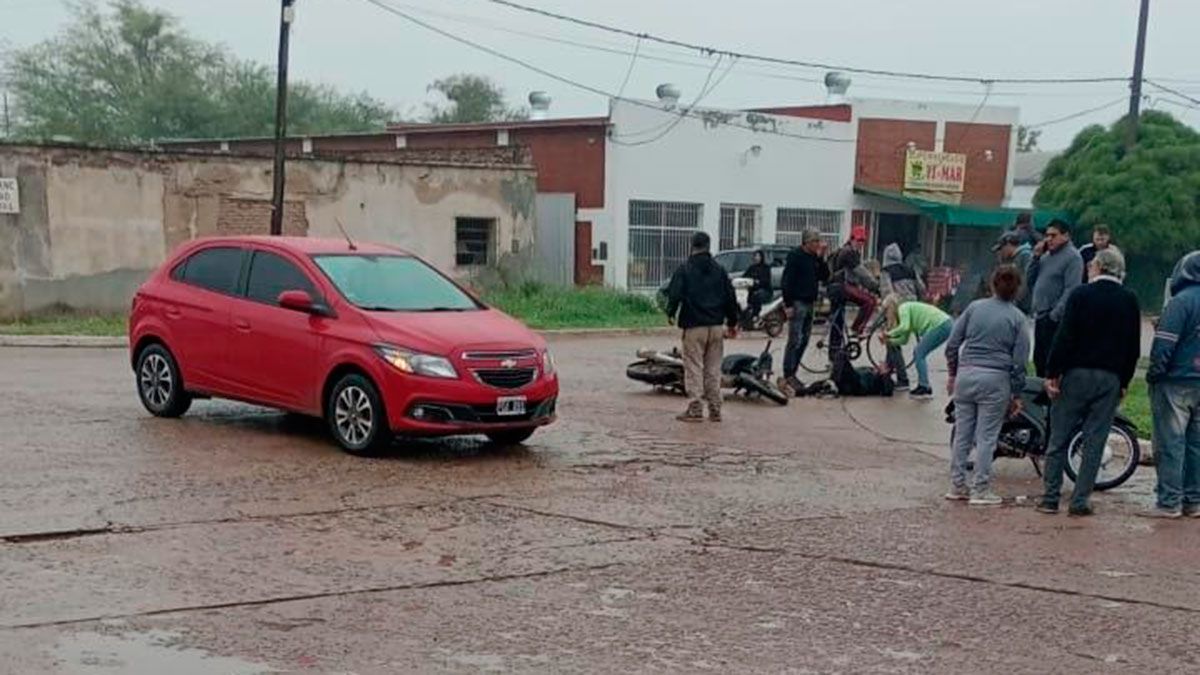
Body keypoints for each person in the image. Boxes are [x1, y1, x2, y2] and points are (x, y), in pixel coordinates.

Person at [1038, 248, 1141, 517]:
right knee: (1095, 441)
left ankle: (1050, 498)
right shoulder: (1130, 299)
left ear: (1098, 266)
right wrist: (1125, 380)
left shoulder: (1080, 295)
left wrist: (1052, 372)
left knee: (1059, 437)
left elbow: (1065, 336)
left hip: (1076, 374)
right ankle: (1080, 501)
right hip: (1110, 378)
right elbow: (1133, 346)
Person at [944, 266, 1031, 506]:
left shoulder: (974, 309)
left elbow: (952, 344)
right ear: (1017, 290)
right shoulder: (1017, 318)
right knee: (986, 437)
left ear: (992, 284)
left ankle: (957, 485)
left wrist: (953, 373)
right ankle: (980, 489)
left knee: (962, 434)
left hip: (966, 375)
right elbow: (1020, 361)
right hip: (996, 380)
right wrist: (1016, 393)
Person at [1145, 252, 1200, 518]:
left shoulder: (1181, 302)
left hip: (1176, 381)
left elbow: (1165, 345)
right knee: (1195, 444)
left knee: (1171, 443)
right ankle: (1194, 501)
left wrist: (1155, 374)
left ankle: (1169, 502)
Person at [665, 232, 740, 423]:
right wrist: (732, 323)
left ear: (692, 246)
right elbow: (730, 298)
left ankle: (695, 408)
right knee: (714, 369)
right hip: (716, 326)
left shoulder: (685, 269)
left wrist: (670, 313)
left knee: (694, 368)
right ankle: (715, 409)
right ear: (708, 246)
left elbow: (674, 294)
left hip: (693, 326)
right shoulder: (720, 270)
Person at [1028, 220, 1084, 377]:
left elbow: (1072, 289)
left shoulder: (1073, 257)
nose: (1049, 239)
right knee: (1039, 359)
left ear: (1065, 236)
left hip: (1054, 319)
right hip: (1040, 314)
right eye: (1047, 235)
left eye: (1054, 235)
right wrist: (1035, 257)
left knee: (1051, 361)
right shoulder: (1045, 257)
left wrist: (1054, 315)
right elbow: (1030, 280)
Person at [779, 229, 830, 393]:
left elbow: (825, 276)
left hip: (810, 302)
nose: (817, 245)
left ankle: (794, 370)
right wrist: (788, 305)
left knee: (805, 339)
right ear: (806, 242)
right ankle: (788, 373)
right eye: (815, 242)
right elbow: (786, 280)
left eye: (818, 241)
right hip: (797, 301)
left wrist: (822, 258)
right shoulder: (795, 256)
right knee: (794, 339)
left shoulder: (815, 257)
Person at [881, 299, 953, 400]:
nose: (885, 315)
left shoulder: (903, 308)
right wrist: (889, 341)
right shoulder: (904, 316)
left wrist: (888, 334)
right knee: (919, 353)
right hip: (944, 324)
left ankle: (924, 386)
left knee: (919, 353)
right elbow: (903, 340)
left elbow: (904, 328)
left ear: (890, 308)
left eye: (885, 310)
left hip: (940, 324)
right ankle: (924, 386)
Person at [881, 243, 926, 391]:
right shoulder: (910, 269)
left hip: (897, 309)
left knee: (893, 342)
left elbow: (887, 293)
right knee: (891, 343)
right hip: (913, 309)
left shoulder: (886, 271)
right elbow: (922, 289)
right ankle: (887, 371)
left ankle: (903, 379)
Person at [830, 226, 879, 336]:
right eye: (858, 240)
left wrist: (868, 286)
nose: (861, 243)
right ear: (852, 239)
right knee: (870, 301)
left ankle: (838, 348)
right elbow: (862, 273)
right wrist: (876, 286)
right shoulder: (849, 253)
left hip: (838, 287)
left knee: (838, 321)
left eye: (863, 240)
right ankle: (856, 329)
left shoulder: (850, 251)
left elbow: (858, 276)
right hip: (842, 286)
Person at [991, 231, 1033, 315]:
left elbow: (1026, 281)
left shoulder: (1025, 256)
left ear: (1009, 244)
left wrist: (1015, 300)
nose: (1000, 252)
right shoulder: (1013, 259)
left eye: (1001, 249)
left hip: (1022, 306)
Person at [741, 249, 773, 322]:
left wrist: (757, 282)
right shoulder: (752, 268)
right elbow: (744, 276)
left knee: (757, 295)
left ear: (762, 257)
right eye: (755, 256)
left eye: (758, 256)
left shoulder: (766, 268)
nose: (756, 258)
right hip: (752, 290)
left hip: (765, 291)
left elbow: (766, 281)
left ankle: (756, 315)